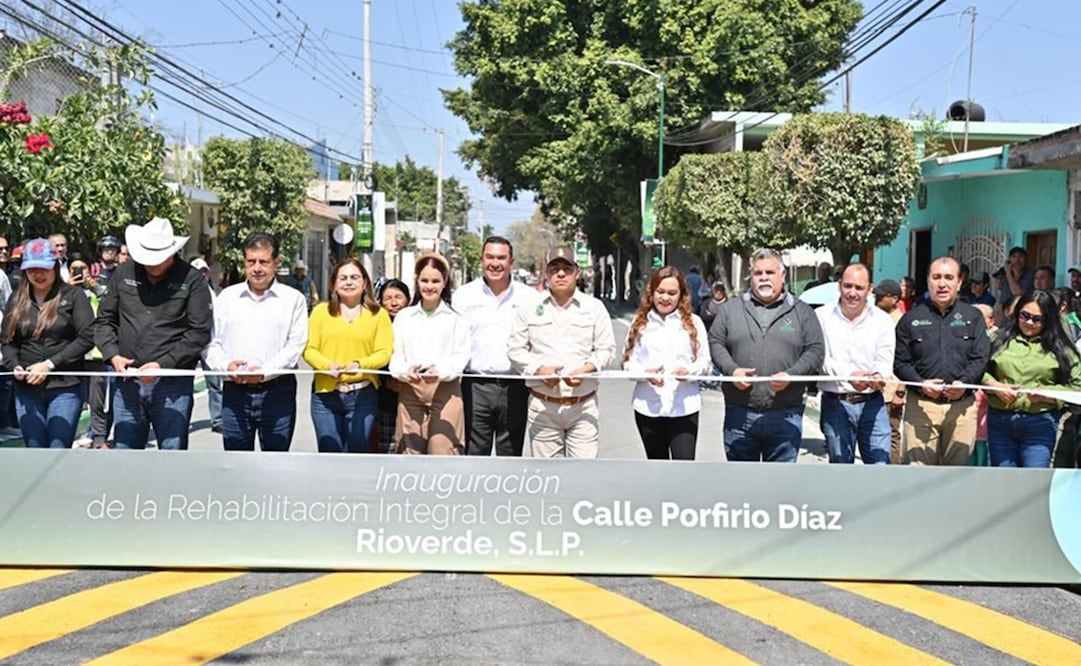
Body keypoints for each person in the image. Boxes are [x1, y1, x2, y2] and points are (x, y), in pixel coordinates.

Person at [94, 217, 212, 450]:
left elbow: (199, 332)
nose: (151, 264)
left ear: (172, 253)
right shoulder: (123, 273)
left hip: (173, 384)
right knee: (126, 455)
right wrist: (113, 355)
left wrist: (163, 365)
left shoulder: (193, 280)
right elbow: (104, 320)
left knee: (172, 455)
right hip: (127, 381)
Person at [708, 248, 824, 462]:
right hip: (739, 413)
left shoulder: (802, 312)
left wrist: (792, 374)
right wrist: (732, 370)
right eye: (757, 273)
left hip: (786, 414)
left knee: (779, 486)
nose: (763, 278)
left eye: (769, 273)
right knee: (742, 485)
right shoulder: (731, 310)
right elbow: (715, 342)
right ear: (751, 276)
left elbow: (815, 350)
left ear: (782, 276)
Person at [508, 246, 616, 458]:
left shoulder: (594, 307)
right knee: (548, 480)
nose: (560, 274)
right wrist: (539, 370)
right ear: (546, 273)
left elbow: (607, 349)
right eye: (554, 268)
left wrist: (588, 368)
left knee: (582, 478)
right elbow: (515, 349)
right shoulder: (529, 307)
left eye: (566, 268)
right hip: (543, 407)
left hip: (583, 407)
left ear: (576, 272)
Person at [206, 233, 308, 452]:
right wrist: (226, 366)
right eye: (251, 262)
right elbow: (212, 343)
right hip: (235, 392)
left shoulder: (293, 300)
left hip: (277, 393)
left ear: (276, 262)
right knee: (236, 464)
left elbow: (295, 346)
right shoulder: (227, 298)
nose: (257, 268)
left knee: (275, 464)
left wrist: (264, 372)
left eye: (264, 261)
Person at [894, 256, 990, 466]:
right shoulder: (910, 319)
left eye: (949, 277)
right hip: (920, 407)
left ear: (959, 282)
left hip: (961, 408)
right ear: (928, 281)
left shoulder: (973, 317)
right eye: (936, 277)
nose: (942, 283)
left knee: (955, 478)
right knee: (917, 475)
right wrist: (921, 383)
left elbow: (981, 357)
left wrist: (963, 383)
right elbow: (900, 363)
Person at [1, 239, 94, 448]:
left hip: (65, 387)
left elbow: (88, 337)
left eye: (43, 268)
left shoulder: (74, 296)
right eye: (32, 269)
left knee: (57, 449)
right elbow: (7, 342)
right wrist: (14, 364)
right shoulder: (16, 299)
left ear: (54, 266)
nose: (38, 274)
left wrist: (50, 364)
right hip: (26, 390)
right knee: (35, 450)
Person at [453, 236, 534, 457]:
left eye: (501, 258)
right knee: (474, 452)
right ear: (481, 260)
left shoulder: (529, 298)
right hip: (474, 386)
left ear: (511, 262)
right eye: (489, 257)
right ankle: (476, 492)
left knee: (510, 452)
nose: (495, 263)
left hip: (515, 386)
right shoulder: (463, 296)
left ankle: (508, 492)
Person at [982, 291, 1081, 467]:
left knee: (1034, 481)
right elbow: (974, 368)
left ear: (1048, 320)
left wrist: (1047, 395)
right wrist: (993, 385)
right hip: (1000, 420)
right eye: (1025, 315)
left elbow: (1077, 387)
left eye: (1037, 319)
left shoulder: (1063, 349)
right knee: (1004, 482)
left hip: (1040, 422)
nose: (1029, 322)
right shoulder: (996, 340)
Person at [622, 266, 710, 460]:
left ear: (681, 295)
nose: (665, 298)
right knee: (656, 468)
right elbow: (628, 363)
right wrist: (646, 373)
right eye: (660, 292)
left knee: (683, 470)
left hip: (684, 407)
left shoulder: (694, 323)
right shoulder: (640, 322)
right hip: (648, 407)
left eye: (672, 293)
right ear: (651, 293)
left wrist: (690, 371)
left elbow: (705, 361)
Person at [303, 259, 391, 453]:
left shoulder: (378, 315)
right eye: (343, 278)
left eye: (354, 277)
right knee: (329, 454)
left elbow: (384, 352)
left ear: (364, 283)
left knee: (356, 453)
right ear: (334, 283)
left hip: (363, 396)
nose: (349, 282)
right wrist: (326, 365)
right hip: (325, 396)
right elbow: (309, 349)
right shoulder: (320, 312)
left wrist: (361, 364)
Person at [390, 253, 470, 455]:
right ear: (417, 281)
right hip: (410, 390)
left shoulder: (456, 319)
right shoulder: (404, 317)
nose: (429, 286)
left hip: (445, 390)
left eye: (436, 281)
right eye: (424, 280)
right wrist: (404, 371)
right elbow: (396, 354)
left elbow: (460, 357)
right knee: (409, 451)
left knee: (443, 452)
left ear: (445, 283)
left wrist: (440, 371)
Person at [816, 264, 895, 465]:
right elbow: (819, 358)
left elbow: (885, 358)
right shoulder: (821, 317)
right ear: (839, 285)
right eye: (848, 286)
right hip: (836, 403)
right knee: (841, 472)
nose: (852, 293)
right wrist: (849, 375)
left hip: (874, 404)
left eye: (859, 288)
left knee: (880, 467)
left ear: (870, 289)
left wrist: (878, 375)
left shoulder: (883, 320)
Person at [374, 279, 410, 453]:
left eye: (398, 297)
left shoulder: (415, 323)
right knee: (387, 450)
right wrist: (385, 382)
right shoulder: (375, 325)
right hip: (384, 401)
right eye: (387, 298)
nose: (394, 303)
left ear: (408, 299)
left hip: (413, 397)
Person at [874, 278, 906, 463]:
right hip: (874, 388)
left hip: (891, 391)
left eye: (882, 295)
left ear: (894, 299)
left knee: (891, 435)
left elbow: (908, 360)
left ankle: (892, 472)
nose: (877, 298)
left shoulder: (901, 323)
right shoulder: (876, 319)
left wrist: (900, 392)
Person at [191, 257, 223, 432]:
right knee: (183, 386)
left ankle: (217, 420)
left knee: (214, 383)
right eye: (197, 272)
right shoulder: (185, 290)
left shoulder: (211, 292)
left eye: (203, 272)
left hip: (209, 343)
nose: (201, 275)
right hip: (189, 344)